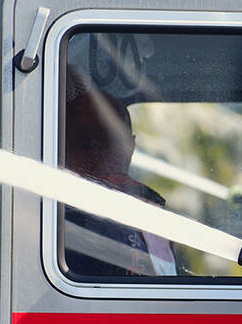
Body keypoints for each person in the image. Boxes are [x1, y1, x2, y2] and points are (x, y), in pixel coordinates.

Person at [63, 85, 179, 277]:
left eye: (104, 138)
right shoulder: (56, 213)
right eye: (84, 138)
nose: (95, 149)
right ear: (130, 147)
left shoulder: (50, 213)